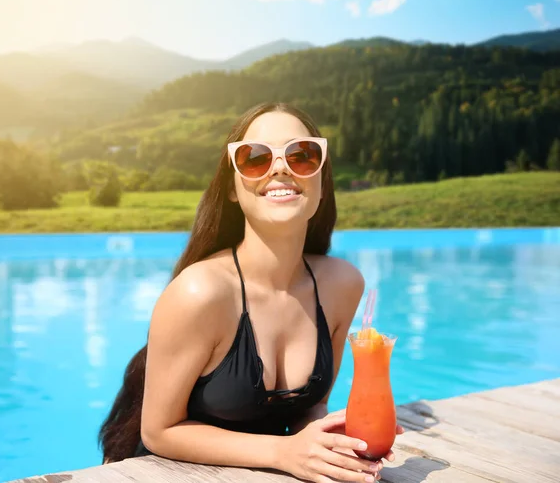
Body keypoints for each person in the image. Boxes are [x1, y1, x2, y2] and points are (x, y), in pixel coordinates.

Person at [99, 102, 403, 483]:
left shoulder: (343, 285)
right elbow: (159, 432)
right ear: (230, 186)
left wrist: (331, 440)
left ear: (322, 183)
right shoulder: (201, 292)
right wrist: (284, 452)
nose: (280, 168)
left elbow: (311, 406)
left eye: (302, 155)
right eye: (255, 158)